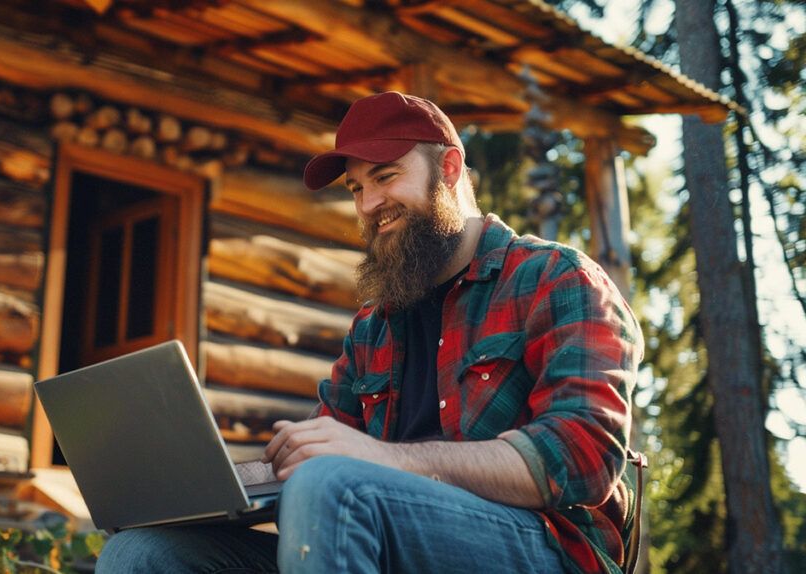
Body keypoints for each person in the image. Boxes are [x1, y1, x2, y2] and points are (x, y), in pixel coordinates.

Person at [96, 91, 644, 574]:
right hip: (379, 542)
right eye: (356, 188)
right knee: (142, 553)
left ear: (449, 169)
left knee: (332, 485)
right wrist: (215, 483)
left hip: (545, 550)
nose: (368, 204)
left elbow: (584, 456)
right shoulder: (373, 327)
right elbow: (324, 460)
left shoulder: (557, 279)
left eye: (385, 176)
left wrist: (380, 460)